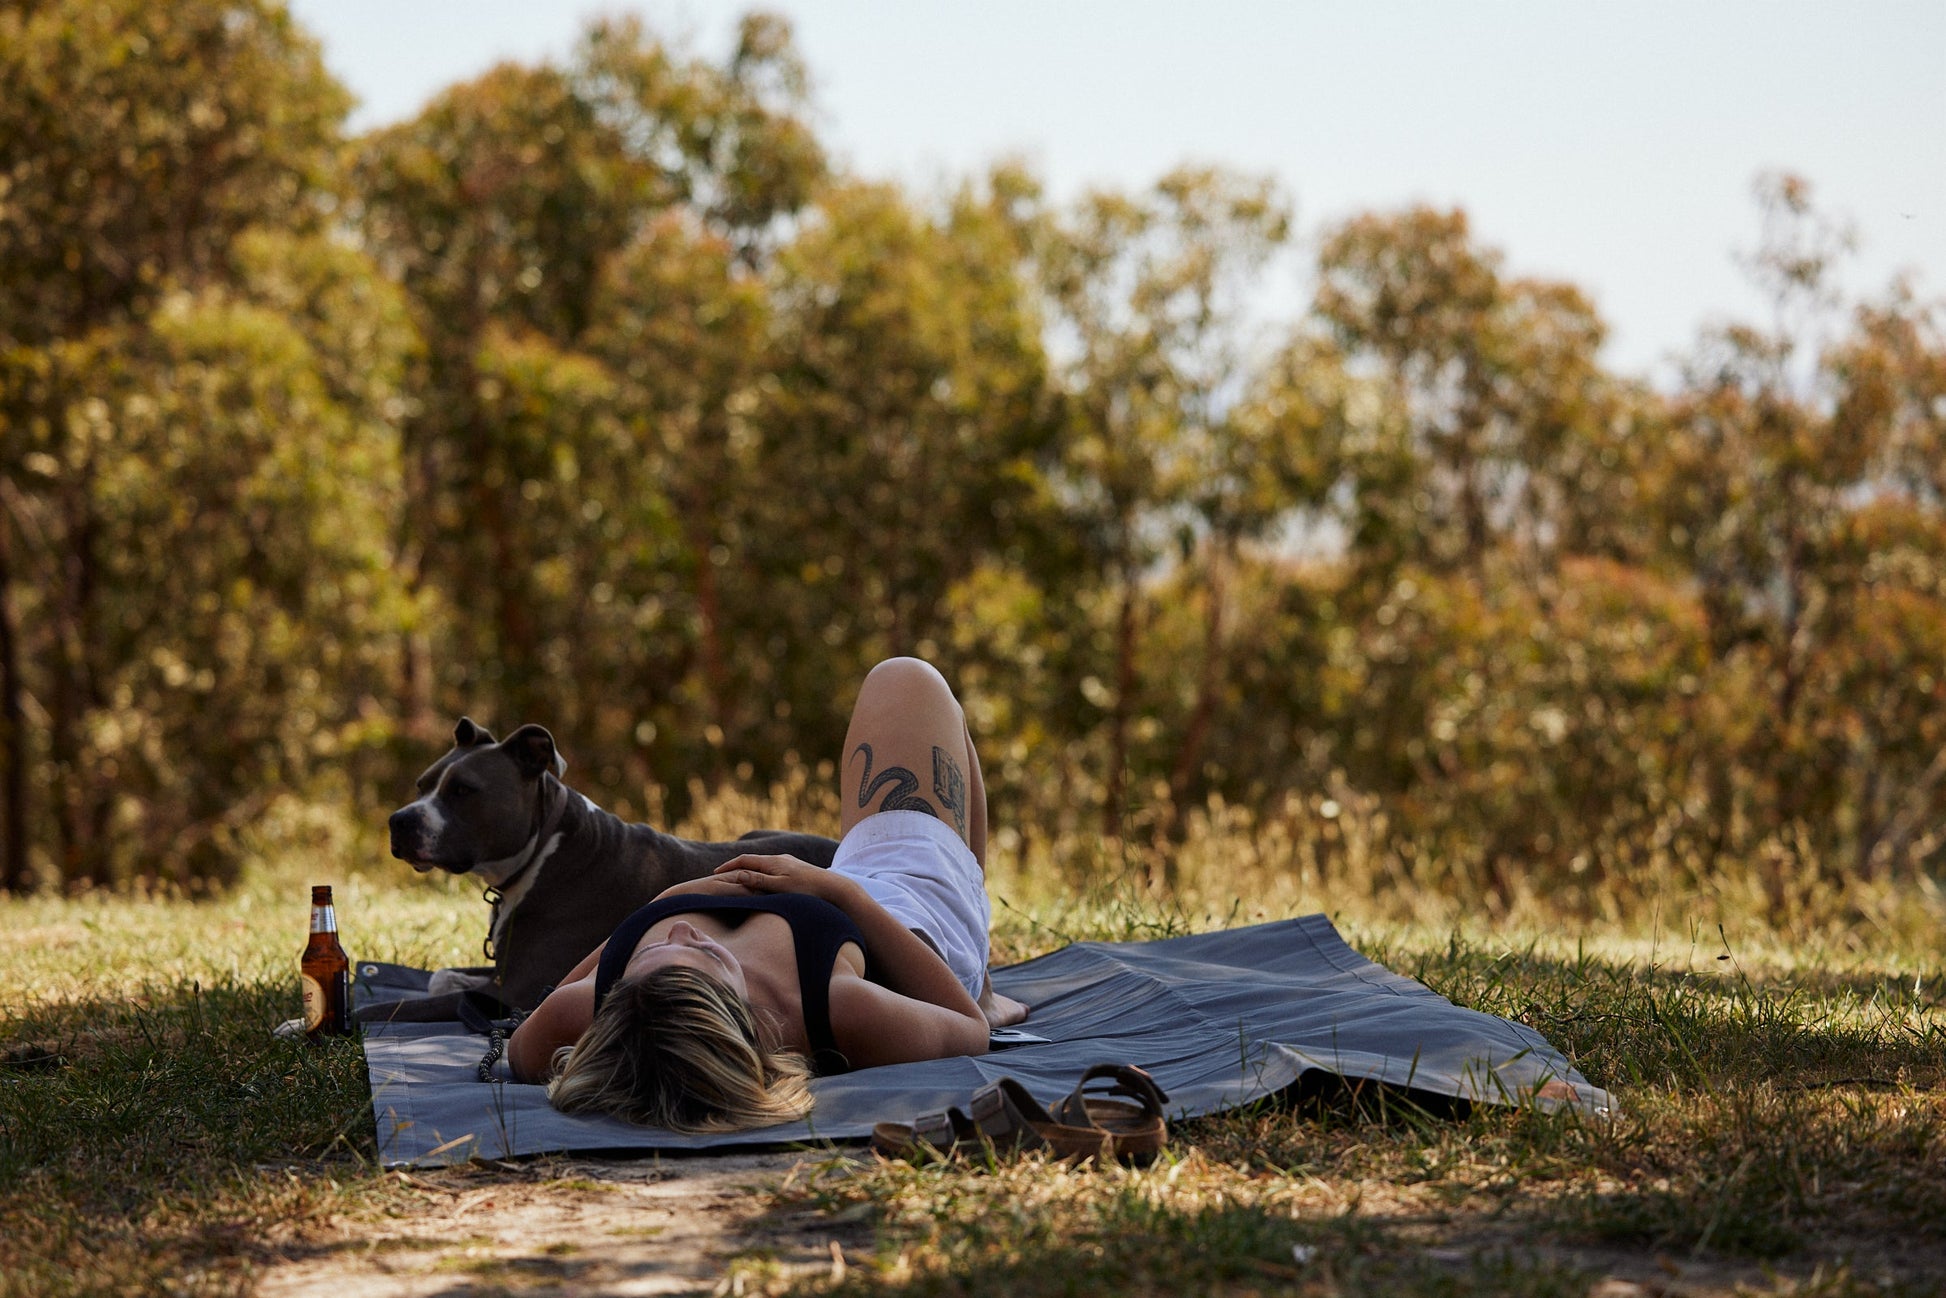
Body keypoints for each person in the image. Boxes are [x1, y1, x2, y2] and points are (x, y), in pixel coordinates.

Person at [506, 656, 1030, 1131]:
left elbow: (522, 1040)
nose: (681, 931)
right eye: (701, 952)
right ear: (747, 1013)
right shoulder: (832, 1008)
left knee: (914, 693)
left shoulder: (597, 1012)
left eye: (652, 947)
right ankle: (979, 978)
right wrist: (838, 892)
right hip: (906, 910)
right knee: (910, 679)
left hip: (843, 879)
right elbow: (968, 1029)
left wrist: (664, 904)